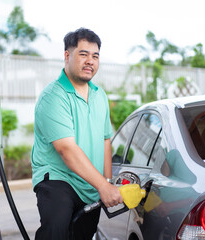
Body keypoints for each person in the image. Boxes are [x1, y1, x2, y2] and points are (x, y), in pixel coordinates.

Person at [31, 27, 123, 240]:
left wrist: (107, 182)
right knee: (56, 231)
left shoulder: (100, 96)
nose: (90, 61)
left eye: (95, 56)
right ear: (67, 56)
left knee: (83, 235)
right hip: (58, 178)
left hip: (91, 184)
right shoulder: (54, 96)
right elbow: (66, 149)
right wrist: (103, 186)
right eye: (83, 54)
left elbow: (105, 140)